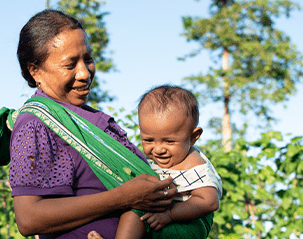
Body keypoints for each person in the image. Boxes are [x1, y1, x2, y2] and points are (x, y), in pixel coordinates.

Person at [7, 9, 177, 239]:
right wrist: (125, 197)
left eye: (88, 59)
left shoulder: (91, 120)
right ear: (35, 70)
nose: (84, 73)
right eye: (70, 65)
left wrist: (160, 191)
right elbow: (29, 219)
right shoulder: (36, 124)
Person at [88, 85, 222, 239]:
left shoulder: (195, 164)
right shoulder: (167, 159)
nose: (158, 149)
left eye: (169, 141)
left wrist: (170, 215)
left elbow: (209, 202)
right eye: (149, 140)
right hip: (168, 218)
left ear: (193, 137)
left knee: (137, 211)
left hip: (190, 224)